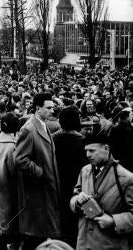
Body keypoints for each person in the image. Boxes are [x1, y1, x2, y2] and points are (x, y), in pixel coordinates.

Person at [14, 92, 62, 249]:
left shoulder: (43, 124)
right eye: (48, 108)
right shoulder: (28, 128)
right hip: (37, 190)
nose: (52, 111)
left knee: (41, 233)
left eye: (53, 107)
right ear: (38, 108)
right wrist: (39, 172)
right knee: (36, 234)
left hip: (46, 188)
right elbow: (20, 159)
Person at [70, 133, 133, 250]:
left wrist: (114, 221)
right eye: (86, 151)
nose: (88, 155)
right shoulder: (85, 171)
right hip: (84, 243)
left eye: (92, 151)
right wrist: (77, 201)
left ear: (106, 149)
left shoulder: (126, 178)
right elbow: (75, 196)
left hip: (110, 245)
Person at [53, 106, 85, 247]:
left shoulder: (53, 138)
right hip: (77, 184)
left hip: (57, 183)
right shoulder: (82, 140)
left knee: (60, 218)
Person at [0, 112, 20, 250]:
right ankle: (2, 245)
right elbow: (13, 169)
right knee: (7, 215)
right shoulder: (12, 145)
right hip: (6, 181)